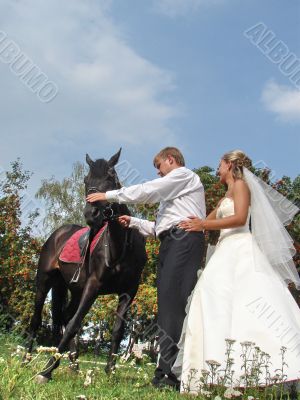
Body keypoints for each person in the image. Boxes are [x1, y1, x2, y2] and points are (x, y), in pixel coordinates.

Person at [171, 150, 300, 394]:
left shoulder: (241, 185)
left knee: (246, 304)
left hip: (240, 249)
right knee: (212, 303)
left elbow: (240, 219)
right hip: (223, 251)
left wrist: (203, 224)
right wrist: (186, 224)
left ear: (230, 164)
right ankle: (212, 372)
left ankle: (265, 368)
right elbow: (203, 221)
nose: (217, 169)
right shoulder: (224, 196)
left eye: (219, 164)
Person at [86, 147, 206, 389]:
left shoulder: (184, 176)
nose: (159, 174)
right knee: (167, 307)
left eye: (160, 167)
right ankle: (165, 373)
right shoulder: (176, 193)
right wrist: (134, 222)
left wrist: (109, 195)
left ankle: (168, 376)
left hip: (183, 242)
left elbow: (148, 191)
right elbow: (160, 227)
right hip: (171, 241)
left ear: (171, 160)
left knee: (172, 307)